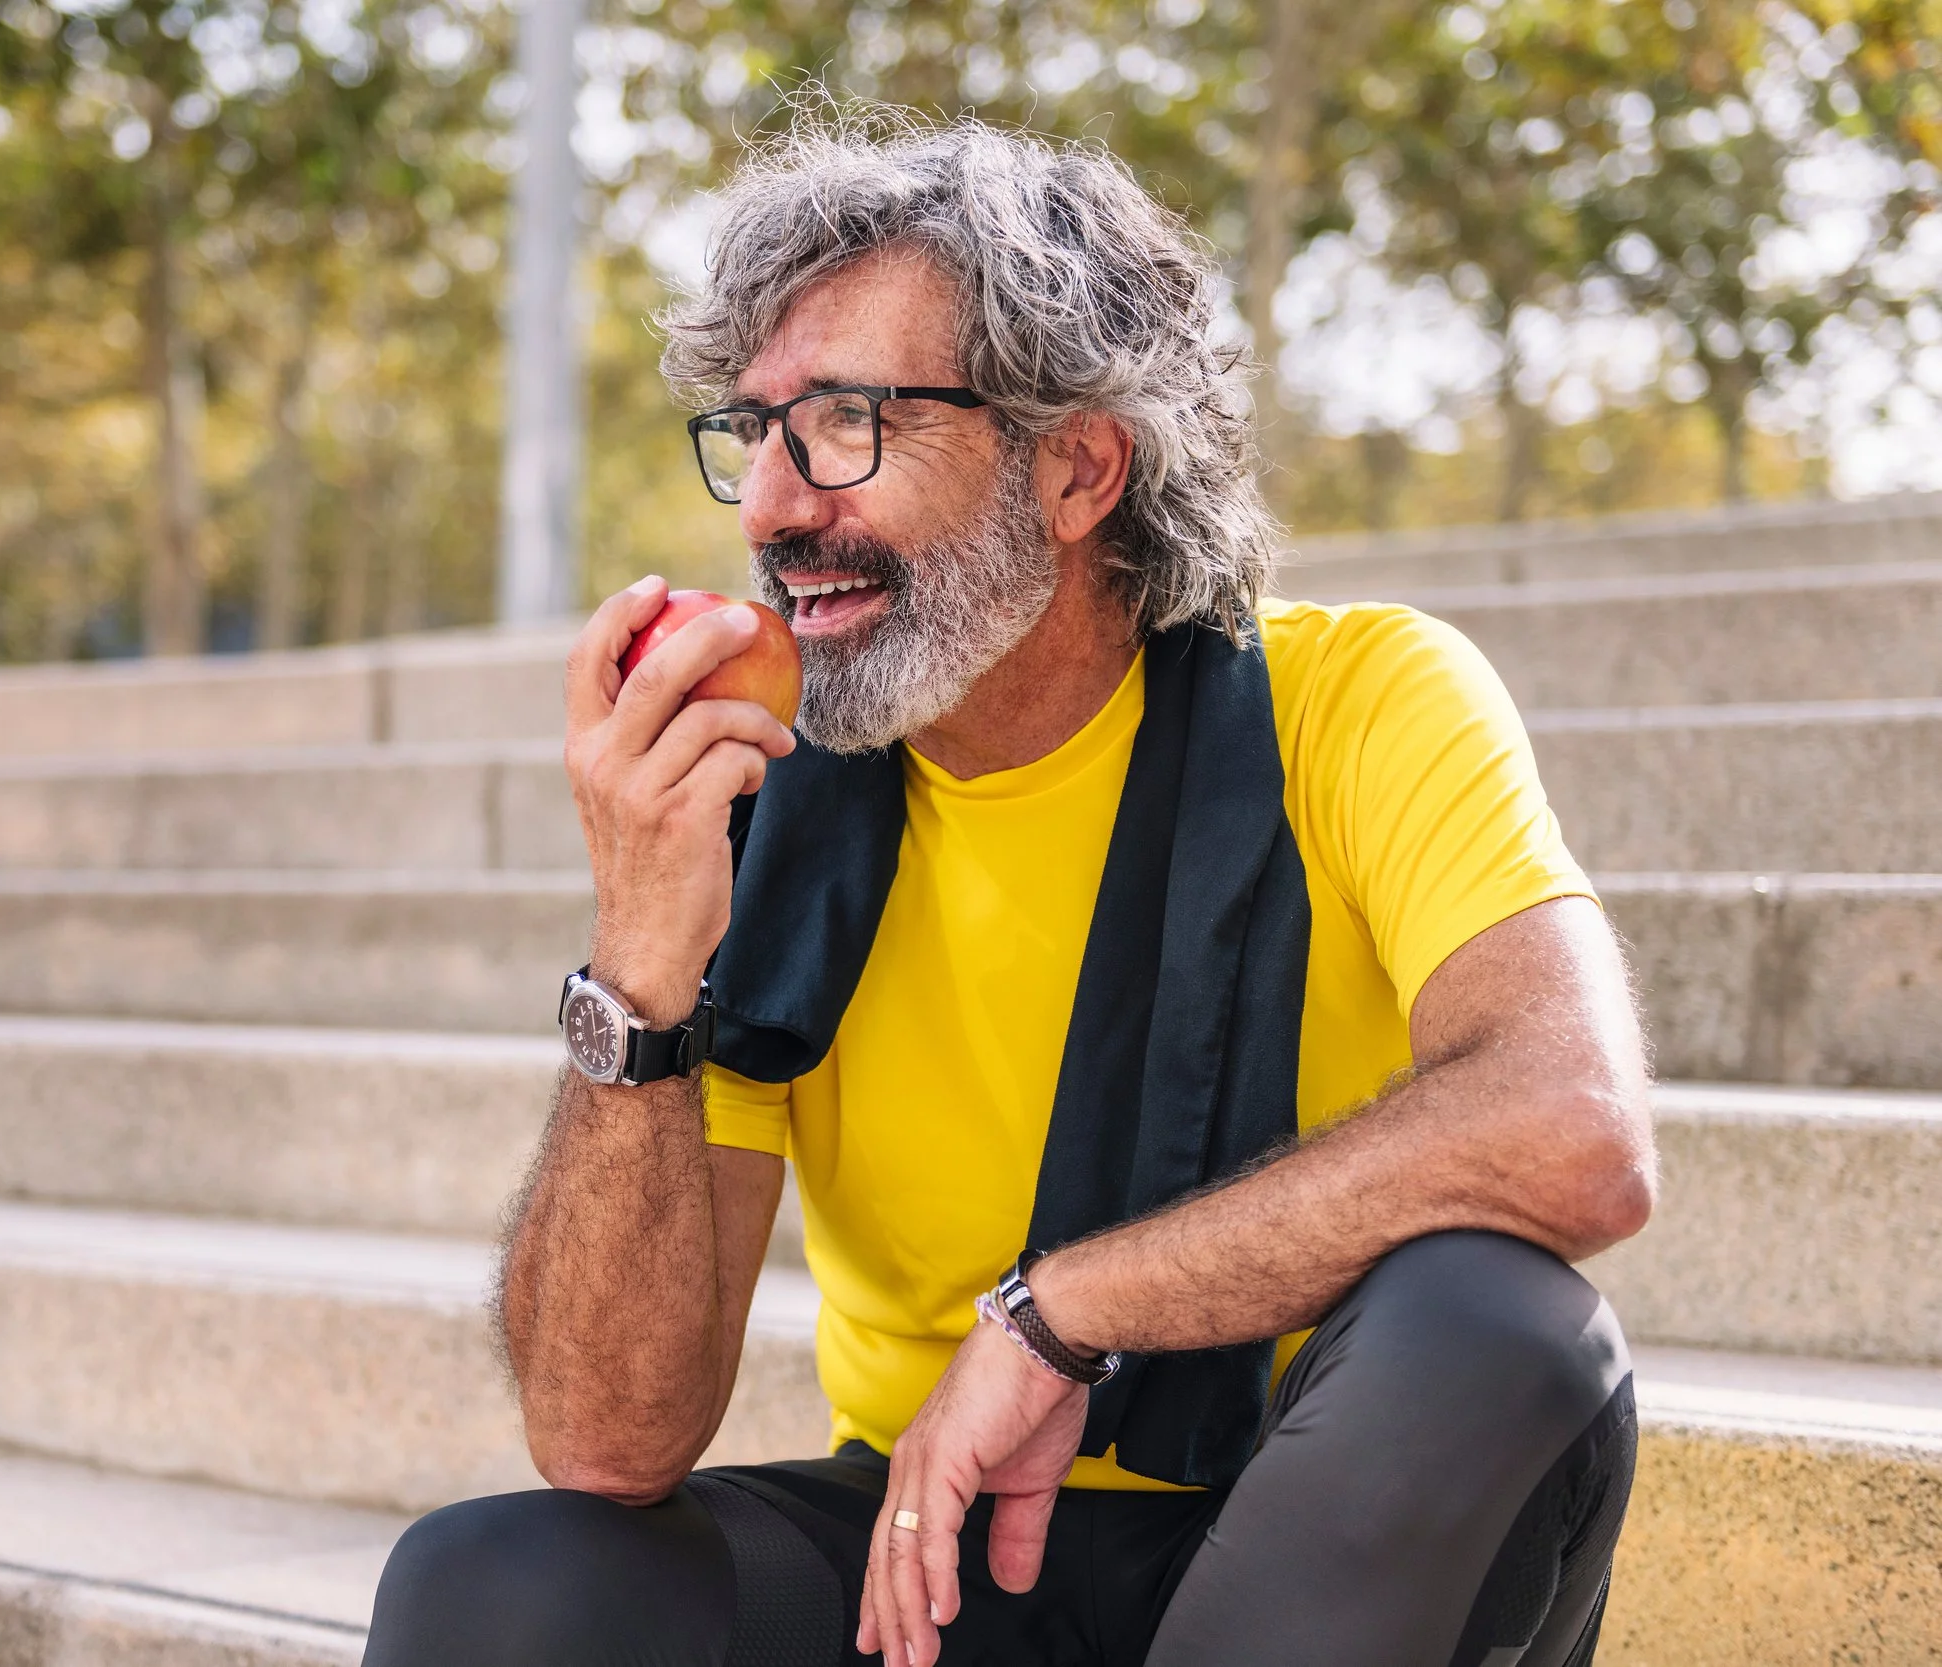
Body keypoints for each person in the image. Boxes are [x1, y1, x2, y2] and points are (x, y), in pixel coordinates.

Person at [365, 107, 1655, 1667]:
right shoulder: (757, 803)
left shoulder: (1365, 701)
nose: (773, 504)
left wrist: (1064, 1308)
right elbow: (607, 1438)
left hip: (1324, 1542)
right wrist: (637, 971)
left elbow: (1571, 1128)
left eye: (845, 420)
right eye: (752, 430)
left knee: (1500, 1331)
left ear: (1077, 468)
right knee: (500, 1584)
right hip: (938, 1564)